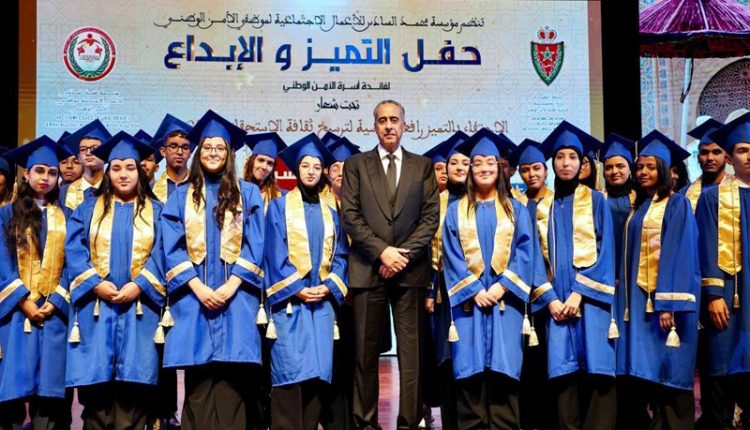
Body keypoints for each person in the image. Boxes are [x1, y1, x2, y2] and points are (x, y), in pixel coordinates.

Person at [161, 110, 265, 430]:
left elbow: (255, 243)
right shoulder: (181, 196)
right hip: (194, 302)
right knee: (197, 387)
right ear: (199, 152)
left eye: (220, 148)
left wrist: (231, 286)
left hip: (236, 301)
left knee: (233, 387)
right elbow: (172, 247)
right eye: (207, 148)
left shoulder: (248, 193)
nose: (213, 153)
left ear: (229, 154)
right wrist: (198, 288)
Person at [341, 100, 439, 429]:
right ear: (374, 126)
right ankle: (365, 423)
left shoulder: (422, 166)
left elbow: (430, 218)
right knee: (365, 356)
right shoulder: (355, 165)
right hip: (368, 269)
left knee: (411, 357)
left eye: (394, 119)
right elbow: (351, 216)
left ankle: (409, 423)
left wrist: (401, 256)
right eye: (382, 120)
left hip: (410, 272)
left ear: (404, 125)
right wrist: (383, 252)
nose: (388, 125)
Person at [65, 132, 167, 429]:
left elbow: (163, 253)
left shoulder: (157, 211)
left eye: (130, 168)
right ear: (108, 172)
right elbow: (74, 251)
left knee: (134, 393)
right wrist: (95, 283)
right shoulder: (87, 209)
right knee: (96, 392)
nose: (123, 174)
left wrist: (140, 284)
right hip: (96, 310)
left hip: (140, 310)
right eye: (117, 168)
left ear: (140, 172)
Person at [442, 128, 538, 429]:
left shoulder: (516, 209)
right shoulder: (456, 211)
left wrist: (502, 286)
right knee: (469, 371)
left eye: (490, 162)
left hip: (505, 303)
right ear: (470, 169)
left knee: (504, 369)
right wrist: (474, 290)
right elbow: (451, 255)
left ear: (500, 168)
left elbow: (526, 251)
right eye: (478, 163)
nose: (484, 168)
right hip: (468, 304)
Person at [530, 121, 616, 430]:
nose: (566, 163)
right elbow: (533, 259)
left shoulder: (596, 201)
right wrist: (551, 300)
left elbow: (606, 252)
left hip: (590, 301)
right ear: (552, 163)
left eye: (572, 157)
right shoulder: (542, 207)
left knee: (597, 369)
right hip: (555, 303)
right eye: (560, 157)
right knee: (562, 372)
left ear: (582, 163)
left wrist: (580, 293)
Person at [615, 130, 700, 429]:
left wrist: (668, 304)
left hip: (665, 304)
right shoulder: (640, 208)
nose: (643, 172)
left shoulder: (677, 204)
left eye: (651, 167)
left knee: (671, 371)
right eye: (640, 167)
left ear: (664, 170)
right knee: (650, 374)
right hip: (641, 303)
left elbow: (681, 254)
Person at [264, 134, 349, 430]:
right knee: (289, 374)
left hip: (322, 306)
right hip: (290, 305)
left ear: (323, 171)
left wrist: (329, 286)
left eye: (316, 166)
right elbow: (274, 253)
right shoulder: (279, 208)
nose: (311, 171)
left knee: (317, 377)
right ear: (296, 170)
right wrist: (297, 289)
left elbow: (341, 255)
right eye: (305, 166)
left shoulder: (332, 214)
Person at [0, 137, 72, 429]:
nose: (45, 178)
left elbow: (72, 263)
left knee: (50, 396)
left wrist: (55, 300)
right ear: (27, 174)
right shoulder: (6, 215)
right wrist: (23, 300)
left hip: (54, 314)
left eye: (52, 173)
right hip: (16, 313)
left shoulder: (68, 217)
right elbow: (2, 261)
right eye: (39, 171)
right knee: (13, 392)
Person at [695, 112, 750, 429]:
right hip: (730, 296)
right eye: (742, 150)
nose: (749, 156)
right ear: (731, 158)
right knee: (722, 368)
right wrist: (714, 294)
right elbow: (705, 248)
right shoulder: (711, 198)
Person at [507, 138, 558, 430]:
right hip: (521, 290)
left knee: (550, 355)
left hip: (551, 290)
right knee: (525, 356)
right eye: (525, 170)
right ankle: (526, 417)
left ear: (546, 170)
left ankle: (549, 418)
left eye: (536, 168)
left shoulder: (558, 202)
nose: (531, 175)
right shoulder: (515, 204)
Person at [422, 131, 469, 430]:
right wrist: (429, 290)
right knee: (446, 358)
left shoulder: (482, 201)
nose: (459, 168)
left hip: (476, 292)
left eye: (465, 162)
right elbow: (427, 250)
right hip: (443, 293)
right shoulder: (434, 203)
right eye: (454, 163)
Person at [319, 136, 361, 430]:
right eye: (335, 167)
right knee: (329, 360)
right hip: (328, 295)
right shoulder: (317, 205)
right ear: (326, 173)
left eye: (347, 168)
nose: (341, 173)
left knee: (355, 362)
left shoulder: (363, 205)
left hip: (358, 295)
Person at [60, 119, 112, 211]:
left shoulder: (115, 190)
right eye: (83, 149)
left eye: (94, 148)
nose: (88, 153)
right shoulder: (63, 192)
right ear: (79, 157)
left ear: (105, 155)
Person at [682, 118, 729, 212]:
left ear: (726, 156)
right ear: (698, 157)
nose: (710, 158)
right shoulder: (684, 194)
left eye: (716, 152)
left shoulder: (740, 190)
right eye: (704, 152)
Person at [150, 114, 194, 203]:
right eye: (173, 146)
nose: (180, 152)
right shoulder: (150, 191)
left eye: (185, 147)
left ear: (190, 153)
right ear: (163, 151)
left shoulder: (201, 187)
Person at [244, 132, 288, 212]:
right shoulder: (238, 190)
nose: (264, 167)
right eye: (260, 160)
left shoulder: (281, 196)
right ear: (252, 162)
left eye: (270, 163)